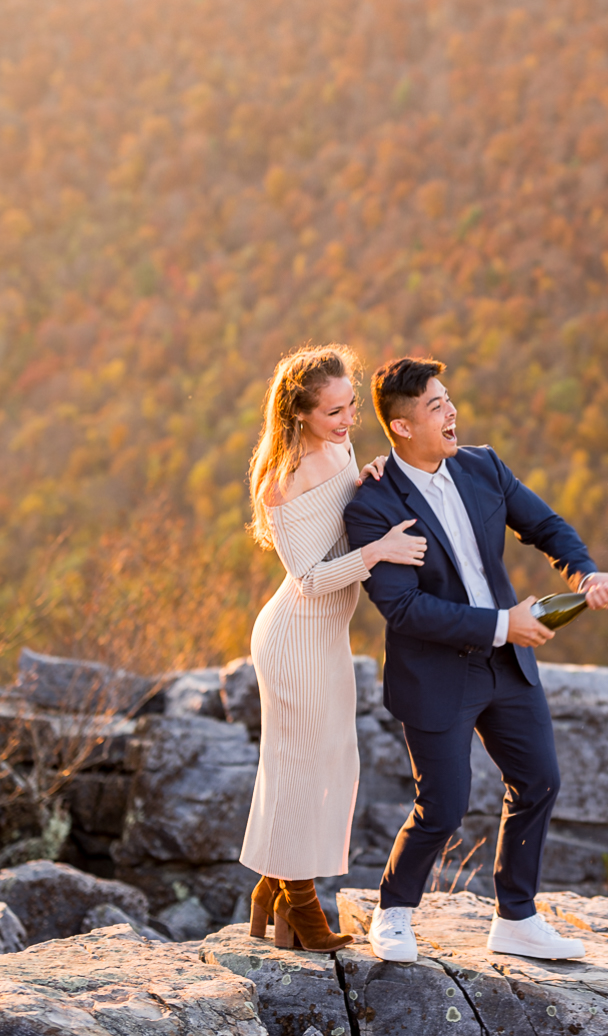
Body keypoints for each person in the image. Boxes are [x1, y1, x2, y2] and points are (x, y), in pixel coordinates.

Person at [344, 356, 608, 963]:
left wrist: (586, 571)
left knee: (539, 779)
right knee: (442, 807)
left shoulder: (483, 465)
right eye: (436, 406)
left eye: (448, 399)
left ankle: (516, 918)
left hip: (507, 667)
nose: (452, 412)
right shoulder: (371, 505)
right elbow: (404, 609)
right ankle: (392, 912)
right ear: (401, 427)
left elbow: (545, 526)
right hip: (437, 673)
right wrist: (504, 624)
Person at [239, 343, 426, 951]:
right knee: (299, 770)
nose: (349, 422)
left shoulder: (342, 448)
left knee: (334, 765)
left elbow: (343, 507)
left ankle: (273, 886)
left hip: (326, 636)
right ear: (299, 414)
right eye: (333, 414)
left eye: (350, 408)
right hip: (294, 636)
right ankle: (300, 903)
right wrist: (378, 551)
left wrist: (365, 477)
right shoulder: (282, 480)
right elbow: (310, 576)